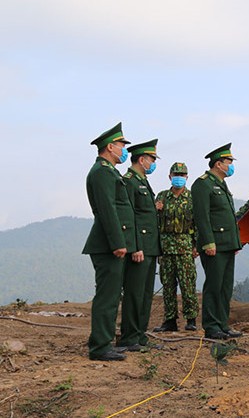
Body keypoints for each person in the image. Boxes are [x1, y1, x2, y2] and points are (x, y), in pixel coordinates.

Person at [82, 122, 134, 361]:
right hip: (107, 244)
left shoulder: (110, 171)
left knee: (113, 295)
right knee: (107, 296)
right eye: (122, 145)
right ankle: (100, 346)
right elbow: (107, 210)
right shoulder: (102, 171)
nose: (124, 149)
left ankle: (105, 342)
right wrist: (117, 241)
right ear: (110, 146)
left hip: (112, 242)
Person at [192, 143, 243, 340]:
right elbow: (202, 217)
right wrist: (207, 243)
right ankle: (211, 326)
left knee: (225, 287)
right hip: (214, 244)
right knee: (214, 285)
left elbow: (227, 216)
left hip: (227, 243)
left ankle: (223, 324)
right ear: (218, 164)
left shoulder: (221, 184)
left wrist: (235, 242)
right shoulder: (202, 184)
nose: (231, 165)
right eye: (228, 162)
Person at [117, 139, 161, 352]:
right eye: (152, 159)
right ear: (142, 159)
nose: (153, 163)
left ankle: (140, 334)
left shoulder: (142, 180)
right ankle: (129, 337)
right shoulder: (130, 181)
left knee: (145, 294)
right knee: (134, 294)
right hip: (140, 247)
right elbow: (130, 218)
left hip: (151, 246)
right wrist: (135, 247)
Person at [153, 162, 200, 332]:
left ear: (187, 177)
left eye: (182, 175)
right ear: (169, 177)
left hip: (185, 248)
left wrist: (197, 245)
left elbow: (198, 223)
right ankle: (170, 320)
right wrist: (155, 210)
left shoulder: (193, 198)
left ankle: (191, 319)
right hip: (165, 249)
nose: (178, 178)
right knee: (168, 285)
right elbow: (153, 224)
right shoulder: (161, 197)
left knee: (188, 285)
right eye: (175, 175)